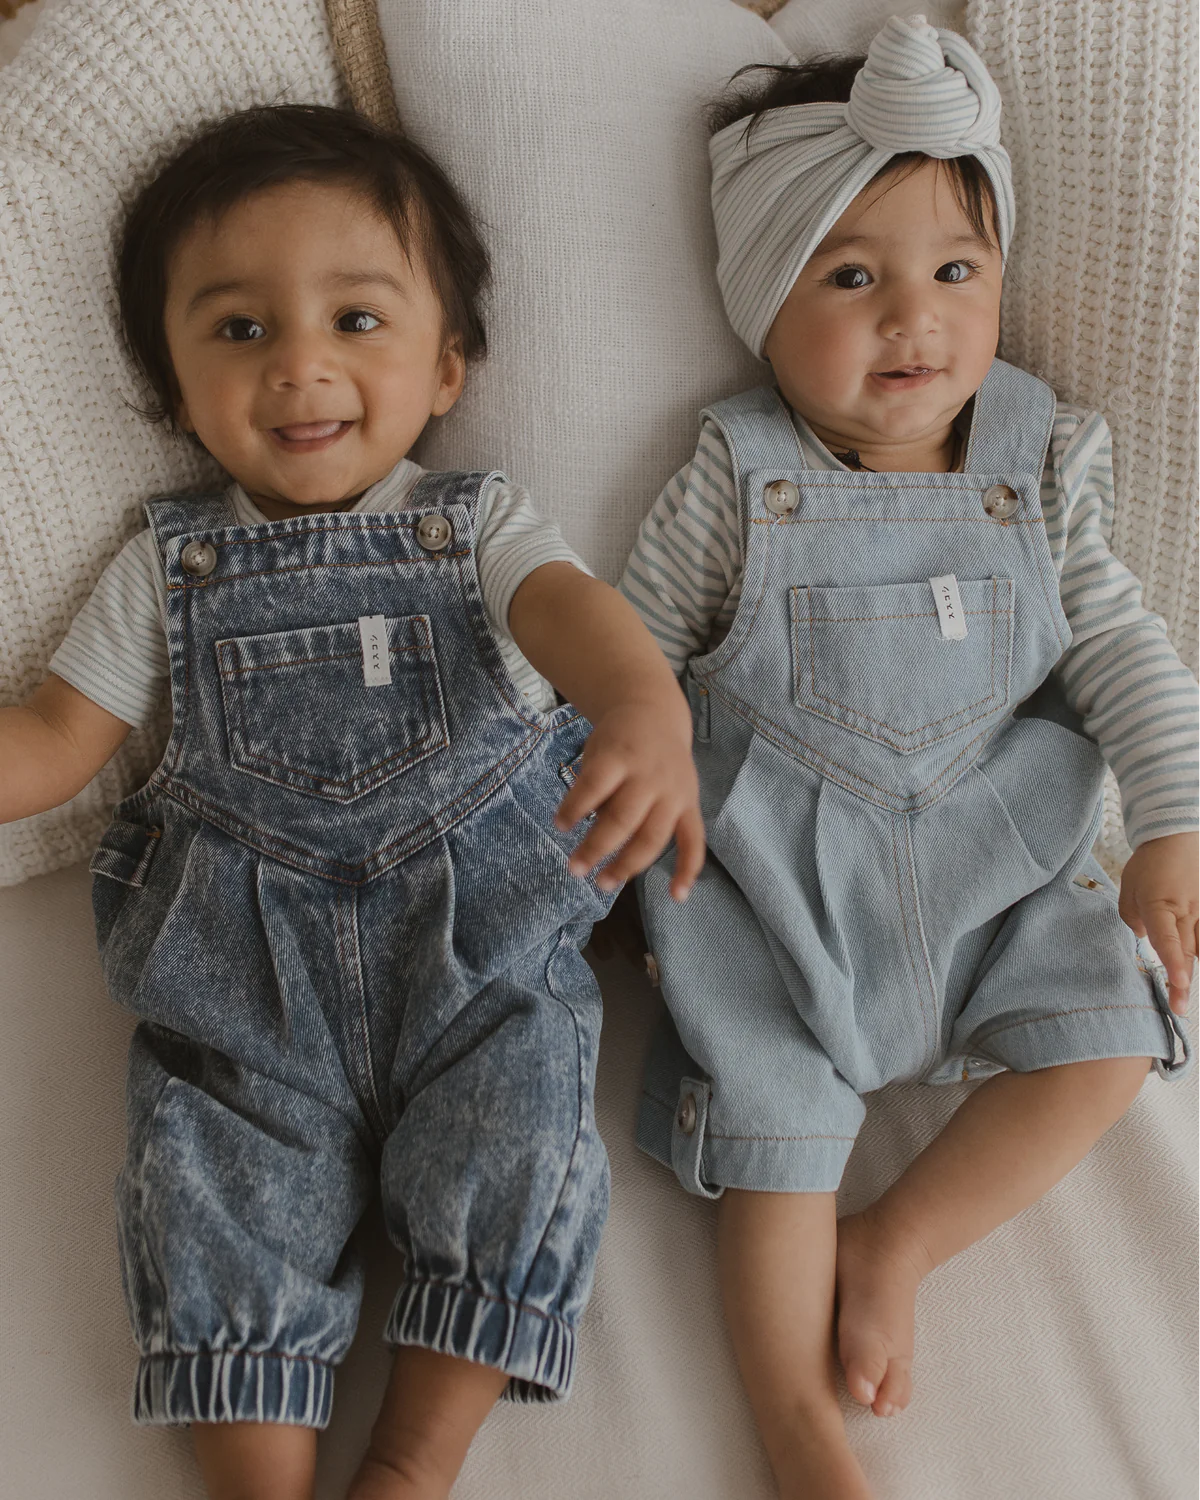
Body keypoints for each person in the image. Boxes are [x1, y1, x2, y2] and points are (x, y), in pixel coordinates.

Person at [0, 105, 702, 1500]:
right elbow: (54, 739)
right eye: (240, 330)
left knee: (523, 1133)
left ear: (449, 364)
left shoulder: (479, 524)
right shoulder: (166, 569)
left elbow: (576, 620)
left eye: (357, 320)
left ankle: (409, 1461)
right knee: (209, 1192)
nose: (302, 366)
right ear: (175, 388)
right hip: (245, 997)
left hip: (475, 964)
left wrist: (646, 706)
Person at [621, 17, 1199, 1498]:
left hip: (996, 871)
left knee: (1118, 1034)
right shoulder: (732, 474)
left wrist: (1173, 825)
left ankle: (903, 1239)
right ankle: (796, 1429)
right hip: (777, 888)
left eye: (955, 272)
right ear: (763, 300)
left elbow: (1121, 644)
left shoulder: (1040, 457)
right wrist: (634, 750)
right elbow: (624, 647)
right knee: (775, 1127)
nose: (914, 321)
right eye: (852, 277)